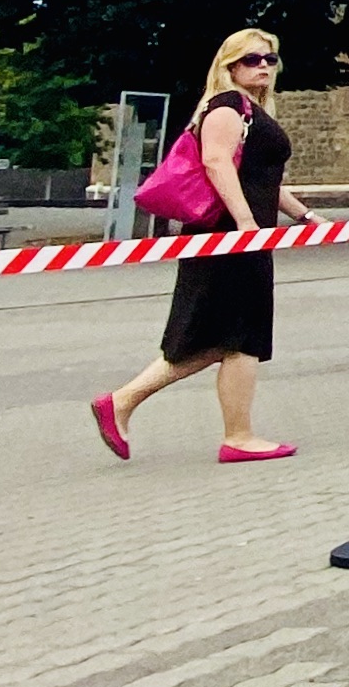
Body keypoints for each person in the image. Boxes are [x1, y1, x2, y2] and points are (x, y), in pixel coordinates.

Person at [92, 28, 310, 464]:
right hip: (228, 235)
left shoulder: (250, 109)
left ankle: (129, 405)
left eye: (269, 58)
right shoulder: (227, 106)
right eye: (251, 59)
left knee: (229, 338)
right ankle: (234, 434)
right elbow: (215, 162)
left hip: (241, 235)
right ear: (229, 65)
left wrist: (303, 215)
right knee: (236, 337)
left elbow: (262, 180)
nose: (263, 65)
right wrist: (245, 222)